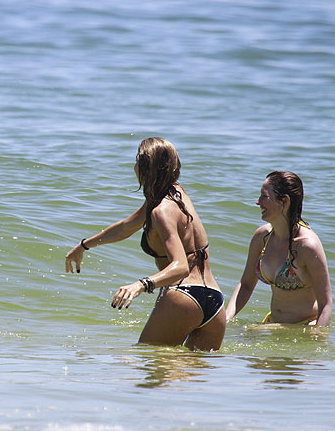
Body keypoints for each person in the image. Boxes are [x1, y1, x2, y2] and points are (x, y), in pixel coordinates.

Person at [65, 137, 226, 351]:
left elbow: (180, 267)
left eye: (136, 162)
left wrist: (140, 285)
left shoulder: (162, 212)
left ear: (145, 167)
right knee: (187, 381)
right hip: (213, 302)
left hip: (183, 296)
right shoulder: (176, 193)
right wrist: (83, 246)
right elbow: (126, 227)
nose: (133, 167)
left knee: (151, 374)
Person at [226, 171, 331, 326]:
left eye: (264, 196)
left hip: (303, 328)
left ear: (284, 201)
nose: (257, 201)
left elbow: (326, 304)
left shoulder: (307, 246)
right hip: (273, 323)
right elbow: (246, 285)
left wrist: (317, 340)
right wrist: (225, 319)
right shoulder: (262, 238)